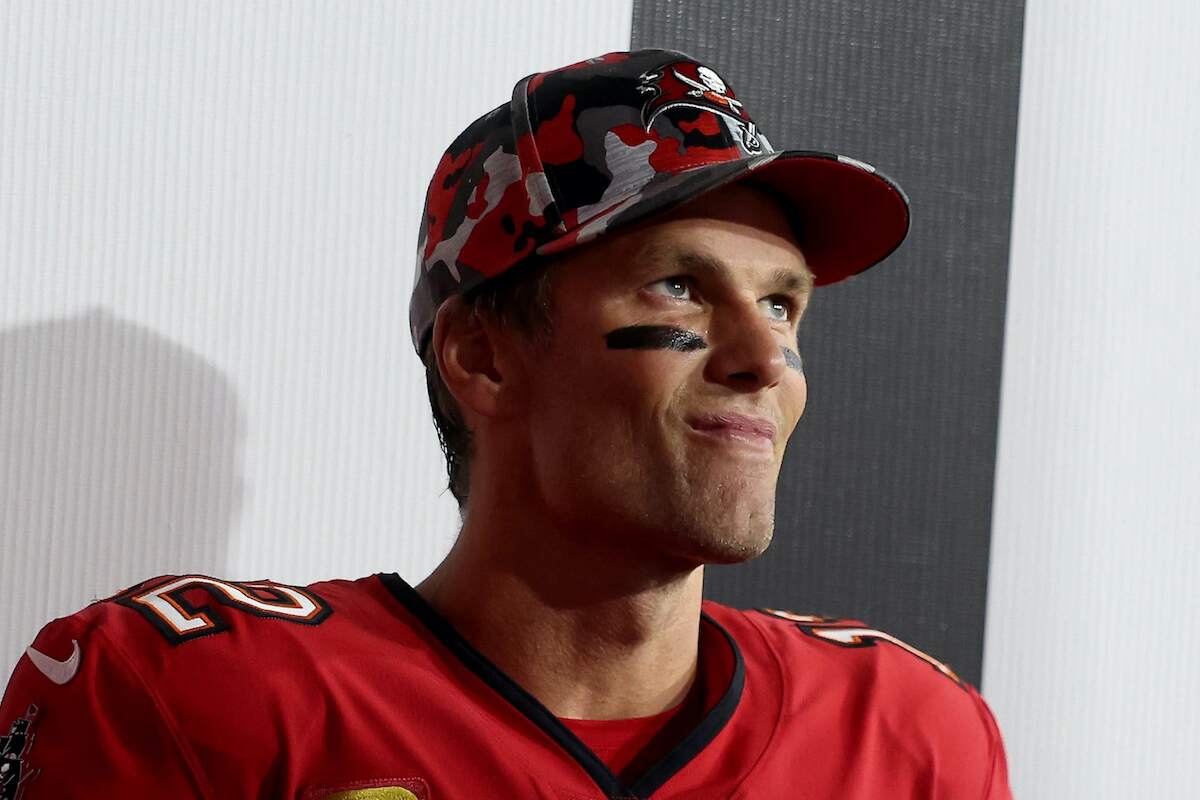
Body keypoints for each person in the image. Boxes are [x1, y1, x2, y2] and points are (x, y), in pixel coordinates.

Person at [0, 49, 1011, 799]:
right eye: (679, 289)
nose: (764, 358)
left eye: (784, 302)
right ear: (483, 355)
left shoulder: (910, 733)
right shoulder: (189, 692)